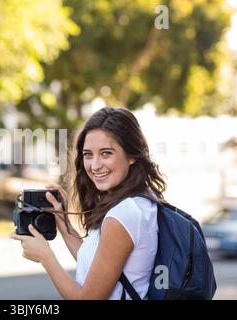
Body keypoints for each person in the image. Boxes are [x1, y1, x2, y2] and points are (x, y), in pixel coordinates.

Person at [11, 106, 166, 300]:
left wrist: (45, 257)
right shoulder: (140, 199)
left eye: (106, 153)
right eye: (88, 154)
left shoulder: (124, 214)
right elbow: (97, 270)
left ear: (132, 155)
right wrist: (64, 225)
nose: (94, 165)